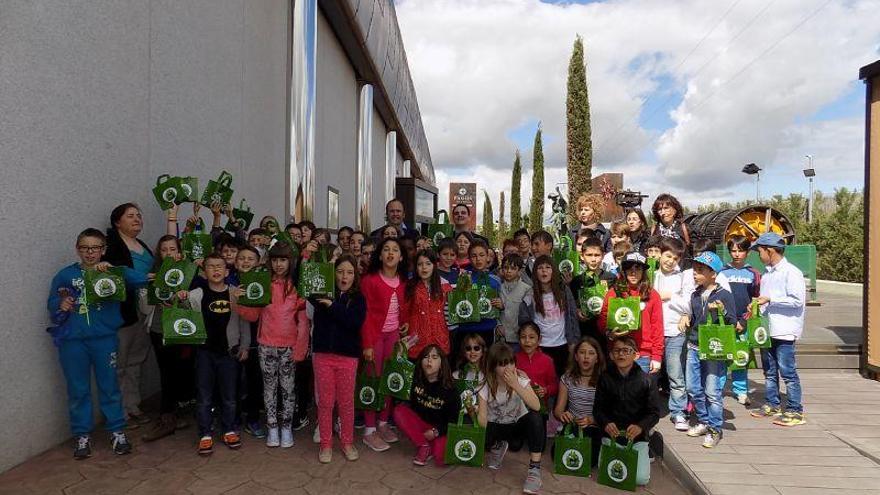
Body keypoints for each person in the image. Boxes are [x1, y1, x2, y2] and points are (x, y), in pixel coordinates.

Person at [49, 228, 148, 459]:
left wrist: (113, 269)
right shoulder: (64, 275)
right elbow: (52, 302)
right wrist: (60, 304)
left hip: (104, 339)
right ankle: (82, 435)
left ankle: (116, 431)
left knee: (109, 386)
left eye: (95, 248)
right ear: (77, 249)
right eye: (85, 247)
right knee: (78, 389)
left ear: (103, 250)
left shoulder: (112, 272)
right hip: (72, 342)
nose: (90, 252)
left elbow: (139, 280)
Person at [237, 243, 310, 449]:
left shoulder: (297, 287)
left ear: (291, 262)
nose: (279, 264)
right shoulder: (264, 283)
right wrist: (240, 301)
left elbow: (303, 322)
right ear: (270, 261)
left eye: (283, 260)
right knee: (269, 388)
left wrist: (300, 349)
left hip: (289, 347)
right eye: (275, 260)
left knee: (288, 389)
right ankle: (272, 427)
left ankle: (286, 427)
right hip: (266, 345)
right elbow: (253, 315)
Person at [178, 253, 250, 456]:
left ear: (227, 271)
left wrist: (244, 345)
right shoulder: (197, 293)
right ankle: (205, 433)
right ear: (204, 271)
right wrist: (180, 297)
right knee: (204, 396)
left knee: (229, 396)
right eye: (211, 266)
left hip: (228, 353)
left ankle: (229, 429)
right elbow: (181, 310)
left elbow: (244, 321)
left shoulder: (236, 293)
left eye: (220, 267)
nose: (216, 270)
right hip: (204, 353)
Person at [102, 203, 154, 427]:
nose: (137, 219)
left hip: (145, 310)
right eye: (131, 216)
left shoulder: (141, 244)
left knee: (136, 360)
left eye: (139, 216)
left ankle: (133, 405)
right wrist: (147, 278)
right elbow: (117, 273)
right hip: (123, 311)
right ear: (117, 222)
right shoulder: (111, 245)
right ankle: (118, 412)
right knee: (120, 362)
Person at [311, 254, 366, 463]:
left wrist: (332, 306)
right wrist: (326, 267)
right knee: (325, 402)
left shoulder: (358, 298)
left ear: (355, 275)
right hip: (323, 355)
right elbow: (306, 285)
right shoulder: (322, 292)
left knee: (346, 402)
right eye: (340, 271)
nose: (345, 276)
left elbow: (353, 322)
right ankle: (326, 444)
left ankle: (347, 442)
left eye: (350, 272)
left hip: (348, 357)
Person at [748, 233, 806, 427]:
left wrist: (771, 299)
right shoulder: (766, 274)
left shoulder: (792, 272)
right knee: (769, 371)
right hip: (768, 330)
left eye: (760, 251)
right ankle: (772, 403)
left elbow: (797, 300)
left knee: (788, 372)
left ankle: (794, 410)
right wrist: (756, 305)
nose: (758, 254)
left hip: (785, 330)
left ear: (770, 251)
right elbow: (766, 300)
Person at [139, 235, 191, 442]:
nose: (168, 253)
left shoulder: (187, 272)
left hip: (183, 330)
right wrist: (153, 295)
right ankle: (166, 417)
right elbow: (144, 308)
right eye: (164, 250)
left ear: (179, 252)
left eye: (172, 249)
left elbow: (196, 299)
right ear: (159, 253)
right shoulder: (152, 275)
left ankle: (174, 413)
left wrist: (182, 295)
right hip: (160, 330)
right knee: (166, 372)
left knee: (180, 372)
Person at [360, 237, 409, 451]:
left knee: (390, 380)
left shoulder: (403, 281)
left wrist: (404, 325)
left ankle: (382, 423)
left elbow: (404, 310)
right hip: (375, 336)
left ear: (401, 256)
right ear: (379, 255)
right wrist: (368, 343)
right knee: (373, 379)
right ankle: (369, 430)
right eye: (386, 250)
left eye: (395, 250)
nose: (390, 253)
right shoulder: (369, 280)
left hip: (393, 336)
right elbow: (366, 315)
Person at [478, 343, 546, 495]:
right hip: (496, 427)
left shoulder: (520, 380)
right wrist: (474, 411)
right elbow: (482, 420)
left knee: (536, 418)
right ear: (493, 367)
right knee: (483, 436)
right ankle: (498, 444)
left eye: (510, 362)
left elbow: (536, 406)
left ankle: (534, 470)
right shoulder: (485, 385)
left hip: (515, 426)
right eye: (502, 365)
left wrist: (516, 385)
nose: (508, 368)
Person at [684, 251, 737, 448]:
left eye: (700, 270)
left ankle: (715, 427)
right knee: (692, 387)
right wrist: (686, 318)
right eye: (694, 270)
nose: (695, 273)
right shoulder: (695, 295)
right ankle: (704, 420)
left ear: (713, 273)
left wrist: (722, 310)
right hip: (694, 344)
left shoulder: (725, 294)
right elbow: (694, 319)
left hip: (714, 348)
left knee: (712, 390)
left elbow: (732, 320)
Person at [393, 345, 462, 467]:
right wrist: (400, 352)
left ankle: (429, 444)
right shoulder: (414, 379)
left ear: (442, 363)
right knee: (399, 411)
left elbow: (453, 421)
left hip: (440, 429)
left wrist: (436, 432)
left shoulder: (451, 390)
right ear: (421, 362)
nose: (429, 360)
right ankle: (423, 445)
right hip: (420, 424)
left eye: (434, 357)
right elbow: (398, 373)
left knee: (441, 459)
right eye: (426, 357)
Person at [652, 237, 694, 431]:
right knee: (650, 374)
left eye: (675, 258)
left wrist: (670, 297)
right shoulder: (651, 274)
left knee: (675, 373)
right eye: (667, 256)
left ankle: (679, 412)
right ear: (660, 253)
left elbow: (689, 303)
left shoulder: (684, 276)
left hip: (675, 332)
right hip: (653, 332)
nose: (670, 261)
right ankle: (649, 411)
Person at [597, 252, 664, 374]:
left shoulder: (652, 295)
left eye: (638, 268)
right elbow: (603, 319)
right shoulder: (614, 293)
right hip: (618, 352)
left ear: (644, 272)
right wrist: (610, 334)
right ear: (623, 270)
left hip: (643, 354)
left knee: (640, 392)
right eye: (629, 268)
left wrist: (656, 356)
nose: (633, 273)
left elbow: (657, 327)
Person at [519, 255, 580, 377]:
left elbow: (572, 317)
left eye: (548, 267)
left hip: (562, 344)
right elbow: (524, 321)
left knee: (562, 379)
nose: (544, 270)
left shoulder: (563, 291)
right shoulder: (530, 295)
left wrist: (573, 343)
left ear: (554, 271)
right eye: (540, 268)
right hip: (540, 346)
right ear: (535, 272)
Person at [720, 236, 761, 407]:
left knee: (741, 356)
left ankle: (741, 390)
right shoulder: (722, 272)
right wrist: (728, 319)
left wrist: (743, 321)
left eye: (741, 250)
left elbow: (755, 300)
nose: (737, 254)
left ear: (747, 252)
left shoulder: (753, 273)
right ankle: (717, 388)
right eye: (733, 250)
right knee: (720, 356)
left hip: (743, 323)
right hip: (724, 322)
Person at [594, 336, 659, 443]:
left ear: (636, 355)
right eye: (617, 350)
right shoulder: (605, 378)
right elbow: (598, 409)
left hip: (638, 438)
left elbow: (654, 413)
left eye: (626, 351)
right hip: (610, 436)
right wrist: (606, 423)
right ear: (611, 355)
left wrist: (640, 426)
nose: (621, 354)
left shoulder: (647, 381)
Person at [554, 337, 605, 466]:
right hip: (573, 425)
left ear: (597, 358)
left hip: (595, 426)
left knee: (590, 460)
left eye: (591, 353)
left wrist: (592, 420)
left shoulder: (604, 380)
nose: (586, 357)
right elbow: (558, 410)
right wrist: (562, 415)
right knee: (557, 454)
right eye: (582, 352)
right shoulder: (567, 378)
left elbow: (609, 412)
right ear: (576, 356)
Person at [234, 245, 266, 439]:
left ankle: (253, 419)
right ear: (236, 262)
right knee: (234, 382)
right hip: (233, 341)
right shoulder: (229, 282)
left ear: (258, 262)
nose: (245, 262)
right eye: (242, 258)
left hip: (257, 340)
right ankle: (234, 418)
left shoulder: (262, 283)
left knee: (255, 382)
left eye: (250, 259)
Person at [453, 240, 503, 354]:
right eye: (474, 256)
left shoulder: (496, 280)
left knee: (486, 365)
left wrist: (501, 304)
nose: (478, 259)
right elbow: (456, 305)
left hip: (487, 329)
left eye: (482, 255)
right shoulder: (462, 278)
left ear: (488, 257)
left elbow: (502, 305)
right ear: (469, 258)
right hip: (465, 330)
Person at [404, 249, 453, 358]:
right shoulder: (410, 287)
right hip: (416, 341)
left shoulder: (444, 286)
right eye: (420, 264)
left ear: (434, 265)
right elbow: (405, 313)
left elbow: (452, 313)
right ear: (416, 268)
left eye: (428, 263)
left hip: (440, 339)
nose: (424, 267)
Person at [569, 237, 616, 348]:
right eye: (589, 255)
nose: (593, 259)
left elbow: (616, 303)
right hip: (584, 331)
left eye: (597, 255)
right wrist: (578, 312)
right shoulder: (577, 281)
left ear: (603, 256)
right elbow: (572, 305)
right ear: (582, 256)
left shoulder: (611, 278)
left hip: (605, 333)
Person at [515, 322, 558, 423]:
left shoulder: (547, 361)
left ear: (539, 340)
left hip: (540, 407)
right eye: (523, 337)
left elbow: (554, 386)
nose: (527, 341)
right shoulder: (514, 359)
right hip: (518, 406)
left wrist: (545, 390)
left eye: (531, 337)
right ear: (519, 340)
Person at [498, 253, 532, 348]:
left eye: (513, 268)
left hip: (519, 337)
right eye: (505, 267)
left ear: (520, 271)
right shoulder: (498, 287)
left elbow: (528, 314)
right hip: (501, 336)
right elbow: (493, 311)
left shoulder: (527, 289)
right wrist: (498, 325)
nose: (508, 271)